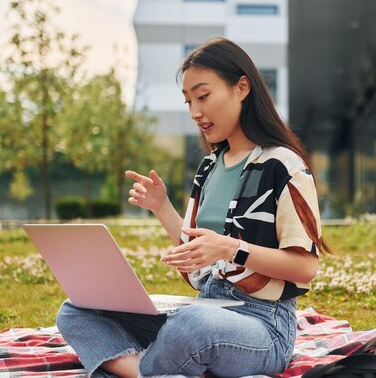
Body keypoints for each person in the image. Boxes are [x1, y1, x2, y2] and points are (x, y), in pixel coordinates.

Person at [56, 37, 327, 378]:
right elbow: (194, 255)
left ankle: (136, 368)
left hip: (264, 324)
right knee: (77, 309)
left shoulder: (283, 166)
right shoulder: (209, 168)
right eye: (188, 101)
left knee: (191, 325)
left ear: (242, 87)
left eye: (203, 96)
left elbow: (305, 268)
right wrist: (161, 206)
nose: (195, 112)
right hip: (207, 307)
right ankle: (151, 369)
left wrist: (232, 248)